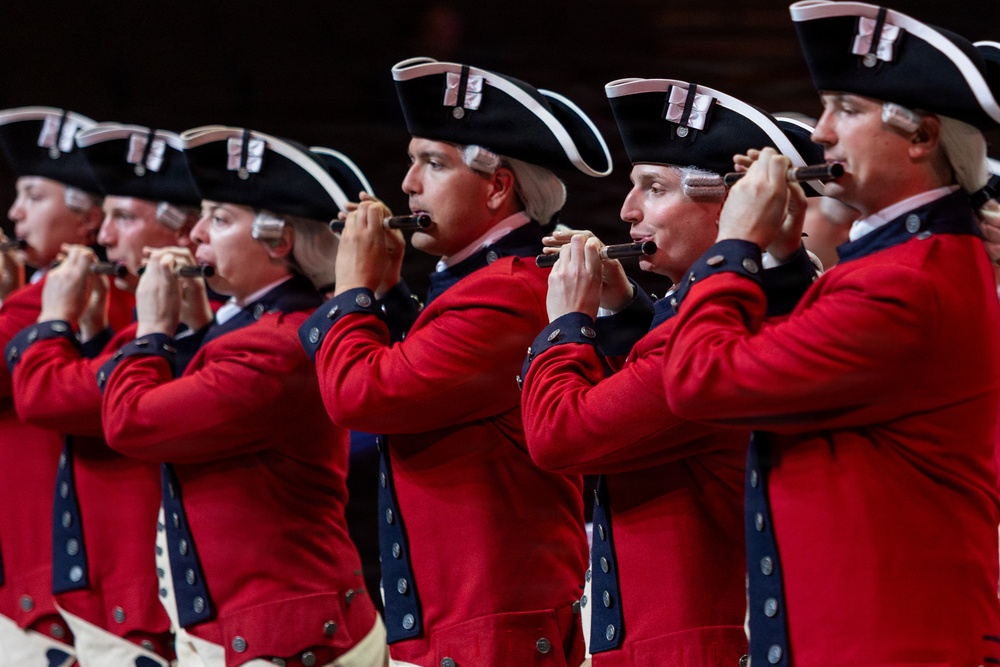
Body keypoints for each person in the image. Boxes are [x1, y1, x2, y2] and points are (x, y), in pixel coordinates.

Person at [660, 2, 1000, 664]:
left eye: (845, 108)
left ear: (922, 137)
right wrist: (784, 258)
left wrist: (732, 246)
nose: (819, 133)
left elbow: (699, 380)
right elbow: (802, 364)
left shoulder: (905, 283)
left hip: (886, 643)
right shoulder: (904, 261)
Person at [298, 57, 612, 666]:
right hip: (463, 623)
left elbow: (363, 396)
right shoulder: (480, 283)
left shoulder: (508, 291)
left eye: (433, 164)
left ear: (497, 186)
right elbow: (422, 369)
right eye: (413, 160)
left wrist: (352, 287)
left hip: (492, 628)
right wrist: (385, 292)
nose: (408, 182)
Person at [520, 77, 827, 665]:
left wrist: (567, 322)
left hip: (698, 644)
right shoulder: (728, 308)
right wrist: (625, 308)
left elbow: (562, 436)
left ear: (728, 207)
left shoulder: (730, 327)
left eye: (653, 188)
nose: (626, 210)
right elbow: (654, 387)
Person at [98, 126, 386, 667]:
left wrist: (153, 330)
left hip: (282, 636)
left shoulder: (275, 345)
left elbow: (129, 421)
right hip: (257, 629)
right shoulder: (257, 327)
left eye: (221, 219)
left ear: (279, 242)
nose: (196, 232)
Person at [5, 123, 204, 667]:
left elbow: (48, 397)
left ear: (185, 233)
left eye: (123, 218)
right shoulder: (125, 316)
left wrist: (49, 319)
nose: (105, 238)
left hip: (136, 602)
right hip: (107, 599)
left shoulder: (173, 328)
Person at [0, 106, 133, 667]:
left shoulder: (64, 298)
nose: (14, 212)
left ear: (87, 221)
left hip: (49, 588)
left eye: (33, 194)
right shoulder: (34, 295)